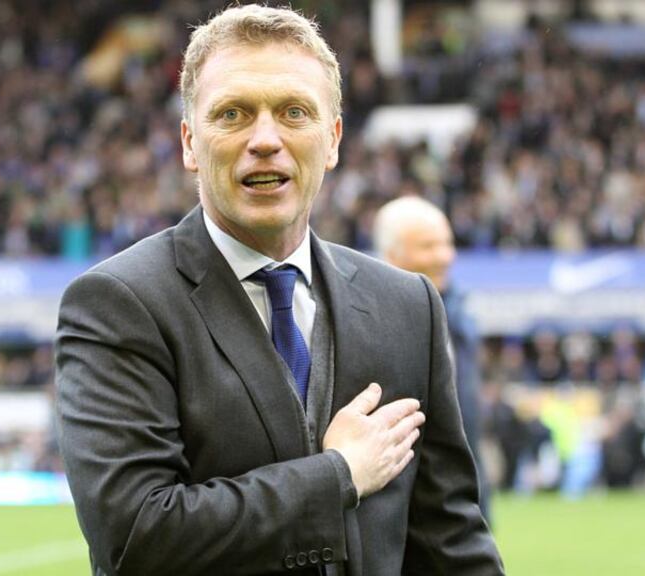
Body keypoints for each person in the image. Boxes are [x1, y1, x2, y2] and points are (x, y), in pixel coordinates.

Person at [56, 6, 503, 576]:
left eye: (294, 112)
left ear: (333, 138)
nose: (265, 139)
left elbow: (451, 543)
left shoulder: (408, 306)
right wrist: (338, 475)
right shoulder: (117, 304)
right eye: (233, 113)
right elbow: (135, 537)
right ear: (191, 143)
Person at [373, 195, 492, 522]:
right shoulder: (368, 321)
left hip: (465, 487)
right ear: (392, 255)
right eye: (428, 246)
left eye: (447, 243)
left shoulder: (459, 315)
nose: (443, 256)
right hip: (406, 503)